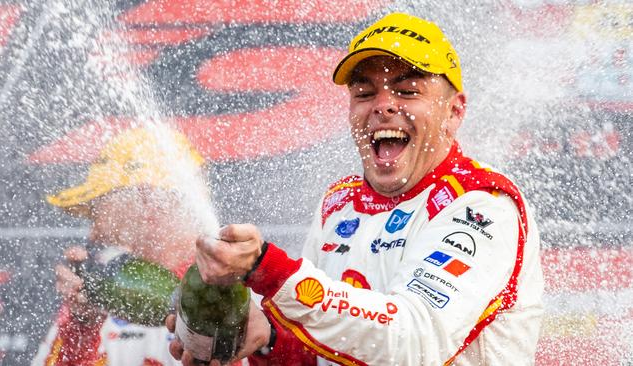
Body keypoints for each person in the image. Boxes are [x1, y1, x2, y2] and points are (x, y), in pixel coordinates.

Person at [167, 12, 544, 365]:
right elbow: (327, 350)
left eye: (407, 91)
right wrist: (267, 339)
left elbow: (411, 343)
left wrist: (269, 269)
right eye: (364, 94)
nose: (383, 106)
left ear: (454, 112)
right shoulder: (339, 203)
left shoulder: (482, 205)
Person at [32, 126, 217, 366]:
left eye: (99, 209)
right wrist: (82, 326)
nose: (94, 232)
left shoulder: (242, 292)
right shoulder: (97, 296)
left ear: (147, 202)